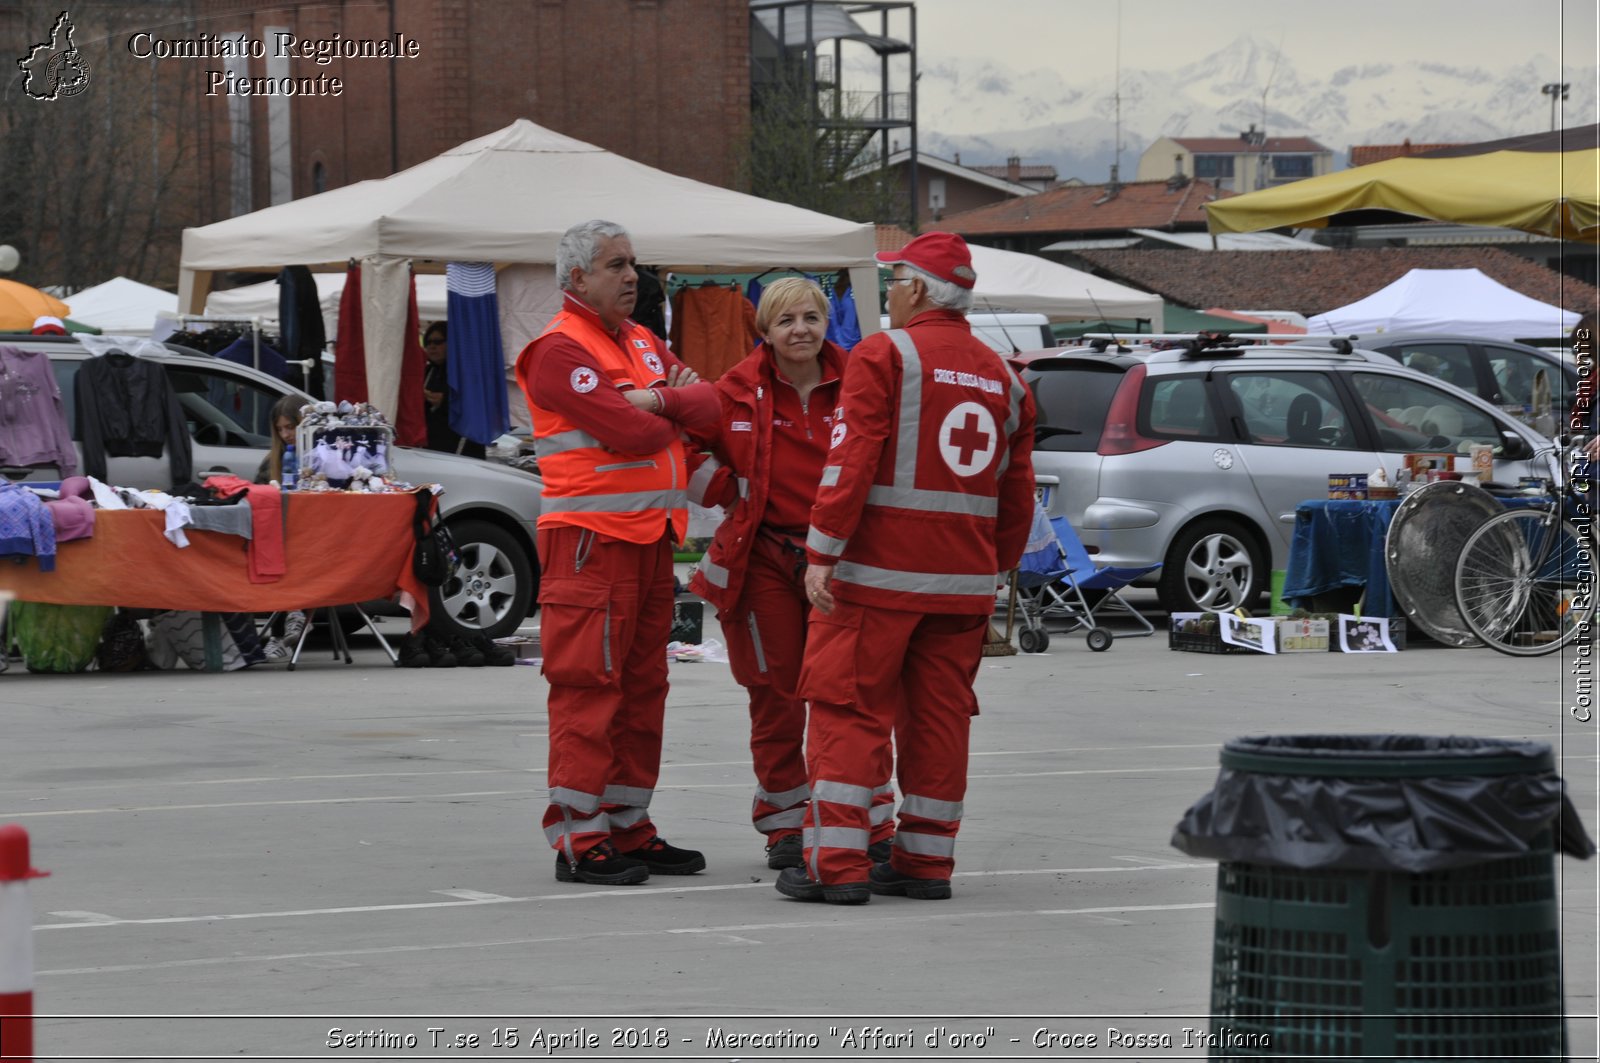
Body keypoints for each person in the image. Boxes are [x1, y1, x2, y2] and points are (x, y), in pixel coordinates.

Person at [775, 232, 1036, 905]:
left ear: (916, 289)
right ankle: (925, 861)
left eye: (894, 280)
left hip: (876, 579)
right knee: (940, 721)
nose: (888, 291)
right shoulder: (1008, 377)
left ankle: (836, 863)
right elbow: (1017, 495)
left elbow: (850, 461)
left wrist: (822, 552)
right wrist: (991, 569)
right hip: (964, 587)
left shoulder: (886, 354)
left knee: (848, 709)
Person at [516, 219, 719, 886]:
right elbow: (633, 432)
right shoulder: (557, 350)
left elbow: (709, 406)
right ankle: (579, 837)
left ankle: (628, 827)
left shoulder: (640, 341)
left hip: (650, 543)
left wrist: (667, 403)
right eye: (615, 265)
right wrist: (674, 405)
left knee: (642, 690)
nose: (633, 275)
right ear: (576, 279)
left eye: (633, 262)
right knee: (588, 690)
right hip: (590, 544)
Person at [686, 278, 895, 871]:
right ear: (765, 331)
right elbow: (681, 446)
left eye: (810, 317)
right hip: (765, 564)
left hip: (844, 565)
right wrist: (729, 490)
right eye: (786, 321)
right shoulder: (732, 390)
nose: (800, 329)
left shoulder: (864, 379)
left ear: (828, 321)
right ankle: (784, 826)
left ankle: (869, 822)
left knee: (854, 699)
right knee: (775, 698)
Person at [421, 322, 487, 460]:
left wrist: (445, 401)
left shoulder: (466, 373)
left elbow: (479, 406)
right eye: (428, 342)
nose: (432, 346)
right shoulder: (427, 372)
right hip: (432, 446)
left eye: (438, 342)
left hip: (462, 448)